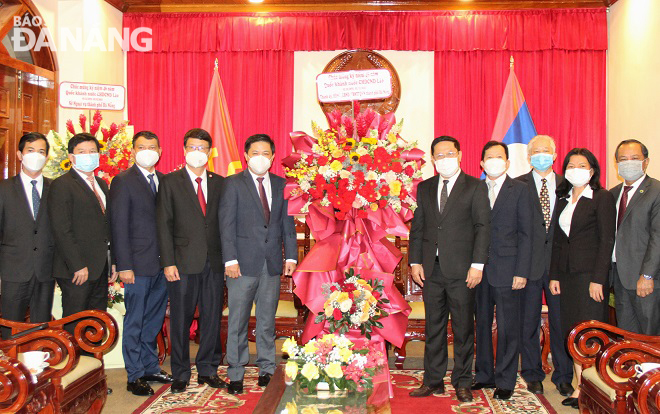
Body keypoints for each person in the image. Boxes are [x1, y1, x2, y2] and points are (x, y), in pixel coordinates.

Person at [408, 136, 490, 402]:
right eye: (439, 155)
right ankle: (433, 380)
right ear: (432, 159)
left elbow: (482, 227)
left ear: (460, 155)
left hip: (463, 271)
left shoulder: (475, 187)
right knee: (434, 327)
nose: (445, 159)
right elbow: (418, 228)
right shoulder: (425, 187)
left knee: (464, 329)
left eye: (449, 153)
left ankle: (463, 381)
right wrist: (415, 261)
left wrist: (477, 265)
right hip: (432, 270)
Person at [220, 134, 297, 395]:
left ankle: (266, 369)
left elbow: (287, 224)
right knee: (238, 321)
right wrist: (229, 259)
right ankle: (237, 373)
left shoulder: (281, 184)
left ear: (273, 157)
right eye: (256, 153)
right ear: (246, 155)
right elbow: (226, 225)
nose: (261, 158)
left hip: (272, 263)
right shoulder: (232, 184)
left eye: (266, 153)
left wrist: (291, 257)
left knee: (266, 321)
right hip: (240, 264)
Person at [157, 128, 225, 394]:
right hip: (182, 264)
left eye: (203, 148)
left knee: (211, 318)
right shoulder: (170, 182)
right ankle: (181, 373)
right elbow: (163, 224)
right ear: (184, 150)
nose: (198, 152)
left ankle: (208, 369)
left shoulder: (220, 182)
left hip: (214, 262)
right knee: (181, 320)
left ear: (210, 152)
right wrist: (168, 262)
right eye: (193, 147)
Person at [549, 148, 616, 409]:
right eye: (571, 165)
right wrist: (554, 275)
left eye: (582, 165)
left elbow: (606, 240)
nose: (576, 169)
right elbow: (557, 240)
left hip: (590, 277)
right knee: (573, 333)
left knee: (591, 333)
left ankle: (593, 387)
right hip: (565, 276)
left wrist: (599, 278)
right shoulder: (563, 197)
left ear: (592, 170)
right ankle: (580, 386)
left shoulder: (601, 198)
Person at [109, 131, 173, 396]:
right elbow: (118, 226)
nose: (148, 150)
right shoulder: (123, 181)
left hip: (162, 265)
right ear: (133, 151)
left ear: (160, 150)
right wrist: (124, 265)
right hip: (136, 266)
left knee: (153, 320)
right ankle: (134, 374)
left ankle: (150, 366)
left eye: (153, 147)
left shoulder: (165, 181)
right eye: (142, 147)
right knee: (135, 320)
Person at [473, 141, 532, 400]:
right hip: (477, 270)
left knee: (508, 327)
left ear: (507, 163)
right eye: (489, 157)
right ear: (482, 164)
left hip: (509, 270)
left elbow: (527, 233)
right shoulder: (474, 189)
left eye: (499, 157)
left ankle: (506, 380)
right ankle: (484, 375)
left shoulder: (520, 189)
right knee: (482, 324)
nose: (494, 161)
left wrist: (522, 271)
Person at [516, 135, 574, 397]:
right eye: (536, 151)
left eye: (546, 151)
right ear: (529, 157)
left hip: (559, 268)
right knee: (527, 322)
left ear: (555, 154)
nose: (541, 155)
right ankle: (532, 373)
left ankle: (564, 375)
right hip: (527, 267)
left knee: (561, 323)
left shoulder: (570, 184)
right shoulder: (517, 185)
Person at [48, 133, 117, 332]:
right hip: (77, 270)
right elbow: (62, 229)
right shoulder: (62, 185)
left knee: (96, 322)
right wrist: (77, 265)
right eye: (82, 152)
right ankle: (73, 363)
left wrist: (112, 261)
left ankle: (91, 362)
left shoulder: (102, 184)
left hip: (100, 267)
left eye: (92, 152)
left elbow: (106, 227)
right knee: (74, 323)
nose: (88, 155)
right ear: (71, 157)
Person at [0, 132, 55, 338]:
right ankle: (9, 369)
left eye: (41, 151)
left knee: (41, 329)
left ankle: (39, 369)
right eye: (30, 151)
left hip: (45, 270)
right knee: (10, 329)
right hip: (13, 271)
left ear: (47, 157)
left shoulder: (55, 188)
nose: (36, 155)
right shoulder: (4, 189)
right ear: (19, 154)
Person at [610, 139, 660, 336]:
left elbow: (658, 236)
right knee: (627, 337)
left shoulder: (656, 191)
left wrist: (647, 275)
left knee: (649, 337)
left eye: (634, 158)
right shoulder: (612, 194)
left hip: (646, 280)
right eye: (623, 159)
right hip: (620, 279)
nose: (628, 163)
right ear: (616, 164)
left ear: (645, 162)